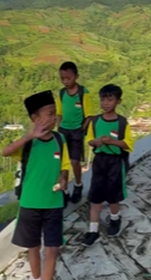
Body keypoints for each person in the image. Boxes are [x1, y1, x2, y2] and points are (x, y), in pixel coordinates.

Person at [2, 90, 70, 280]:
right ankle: (36, 276)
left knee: (52, 249)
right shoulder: (28, 144)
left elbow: (64, 164)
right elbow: (5, 152)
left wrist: (63, 177)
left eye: (55, 113)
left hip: (53, 203)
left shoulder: (59, 139)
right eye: (49, 114)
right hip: (30, 203)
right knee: (33, 248)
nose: (54, 117)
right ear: (35, 117)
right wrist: (28, 136)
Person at [82, 84, 134, 247]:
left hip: (115, 162)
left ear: (118, 101)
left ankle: (114, 219)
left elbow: (128, 144)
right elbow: (89, 139)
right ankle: (93, 230)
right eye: (103, 99)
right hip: (99, 161)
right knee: (95, 195)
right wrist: (95, 142)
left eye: (109, 99)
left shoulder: (122, 123)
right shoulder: (95, 121)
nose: (105, 103)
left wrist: (112, 142)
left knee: (113, 194)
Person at [56, 61, 93, 204]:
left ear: (76, 76)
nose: (65, 81)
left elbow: (89, 115)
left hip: (77, 131)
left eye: (68, 78)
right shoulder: (61, 93)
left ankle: (78, 185)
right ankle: (64, 190)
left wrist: (82, 128)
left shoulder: (83, 93)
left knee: (74, 161)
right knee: (62, 162)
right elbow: (59, 113)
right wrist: (58, 128)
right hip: (63, 130)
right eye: (62, 78)